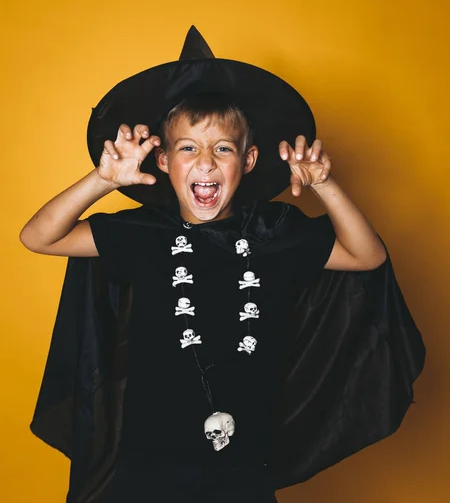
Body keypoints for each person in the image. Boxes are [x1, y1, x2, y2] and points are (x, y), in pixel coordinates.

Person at [20, 27, 425, 503]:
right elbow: (38, 237)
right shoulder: (142, 235)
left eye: (223, 149)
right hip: (145, 469)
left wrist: (325, 185)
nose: (205, 162)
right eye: (188, 148)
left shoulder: (276, 235)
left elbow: (367, 256)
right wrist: (101, 180)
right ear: (165, 162)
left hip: (244, 469)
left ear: (249, 160)